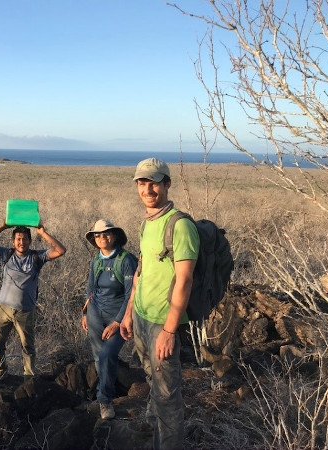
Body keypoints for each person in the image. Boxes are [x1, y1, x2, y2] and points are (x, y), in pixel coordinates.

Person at [120, 158, 199, 450]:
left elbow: (185, 281)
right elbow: (141, 272)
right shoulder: (147, 223)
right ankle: (153, 433)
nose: (147, 188)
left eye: (153, 182)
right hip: (141, 316)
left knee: (168, 399)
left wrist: (169, 330)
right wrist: (129, 313)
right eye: (142, 182)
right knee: (152, 381)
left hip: (162, 323)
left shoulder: (180, 225)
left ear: (167, 183)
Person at [0, 222, 66, 378]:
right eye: (18, 239)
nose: (21, 242)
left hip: (25, 310)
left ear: (30, 241)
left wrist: (43, 233)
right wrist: (2, 227)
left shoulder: (37, 257)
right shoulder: (7, 254)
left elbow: (61, 250)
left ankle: (29, 378)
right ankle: (0, 373)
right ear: (13, 241)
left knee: (27, 347)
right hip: (3, 309)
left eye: (25, 239)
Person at [82, 219, 137, 420]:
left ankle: (105, 401)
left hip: (120, 318)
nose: (102, 238)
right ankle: (106, 394)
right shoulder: (96, 261)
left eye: (106, 234)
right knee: (99, 357)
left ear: (114, 236)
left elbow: (132, 293)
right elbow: (91, 288)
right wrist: (85, 313)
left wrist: (118, 322)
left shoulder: (126, 260)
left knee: (107, 355)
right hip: (96, 314)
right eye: (97, 235)